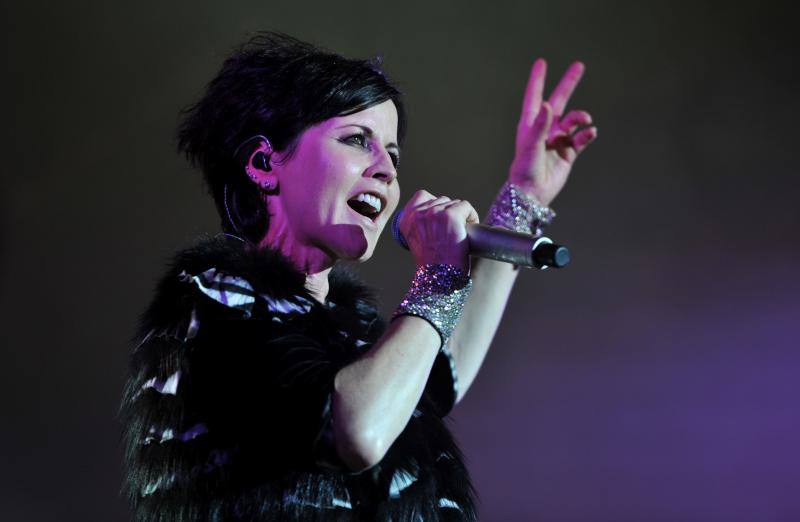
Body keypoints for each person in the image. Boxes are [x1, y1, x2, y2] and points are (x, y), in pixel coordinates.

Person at [119, 31, 596, 521]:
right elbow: (356, 432)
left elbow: (431, 380)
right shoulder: (210, 301)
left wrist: (522, 199)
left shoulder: (348, 332)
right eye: (356, 140)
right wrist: (438, 275)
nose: (387, 170)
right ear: (264, 163)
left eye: (393, 154)